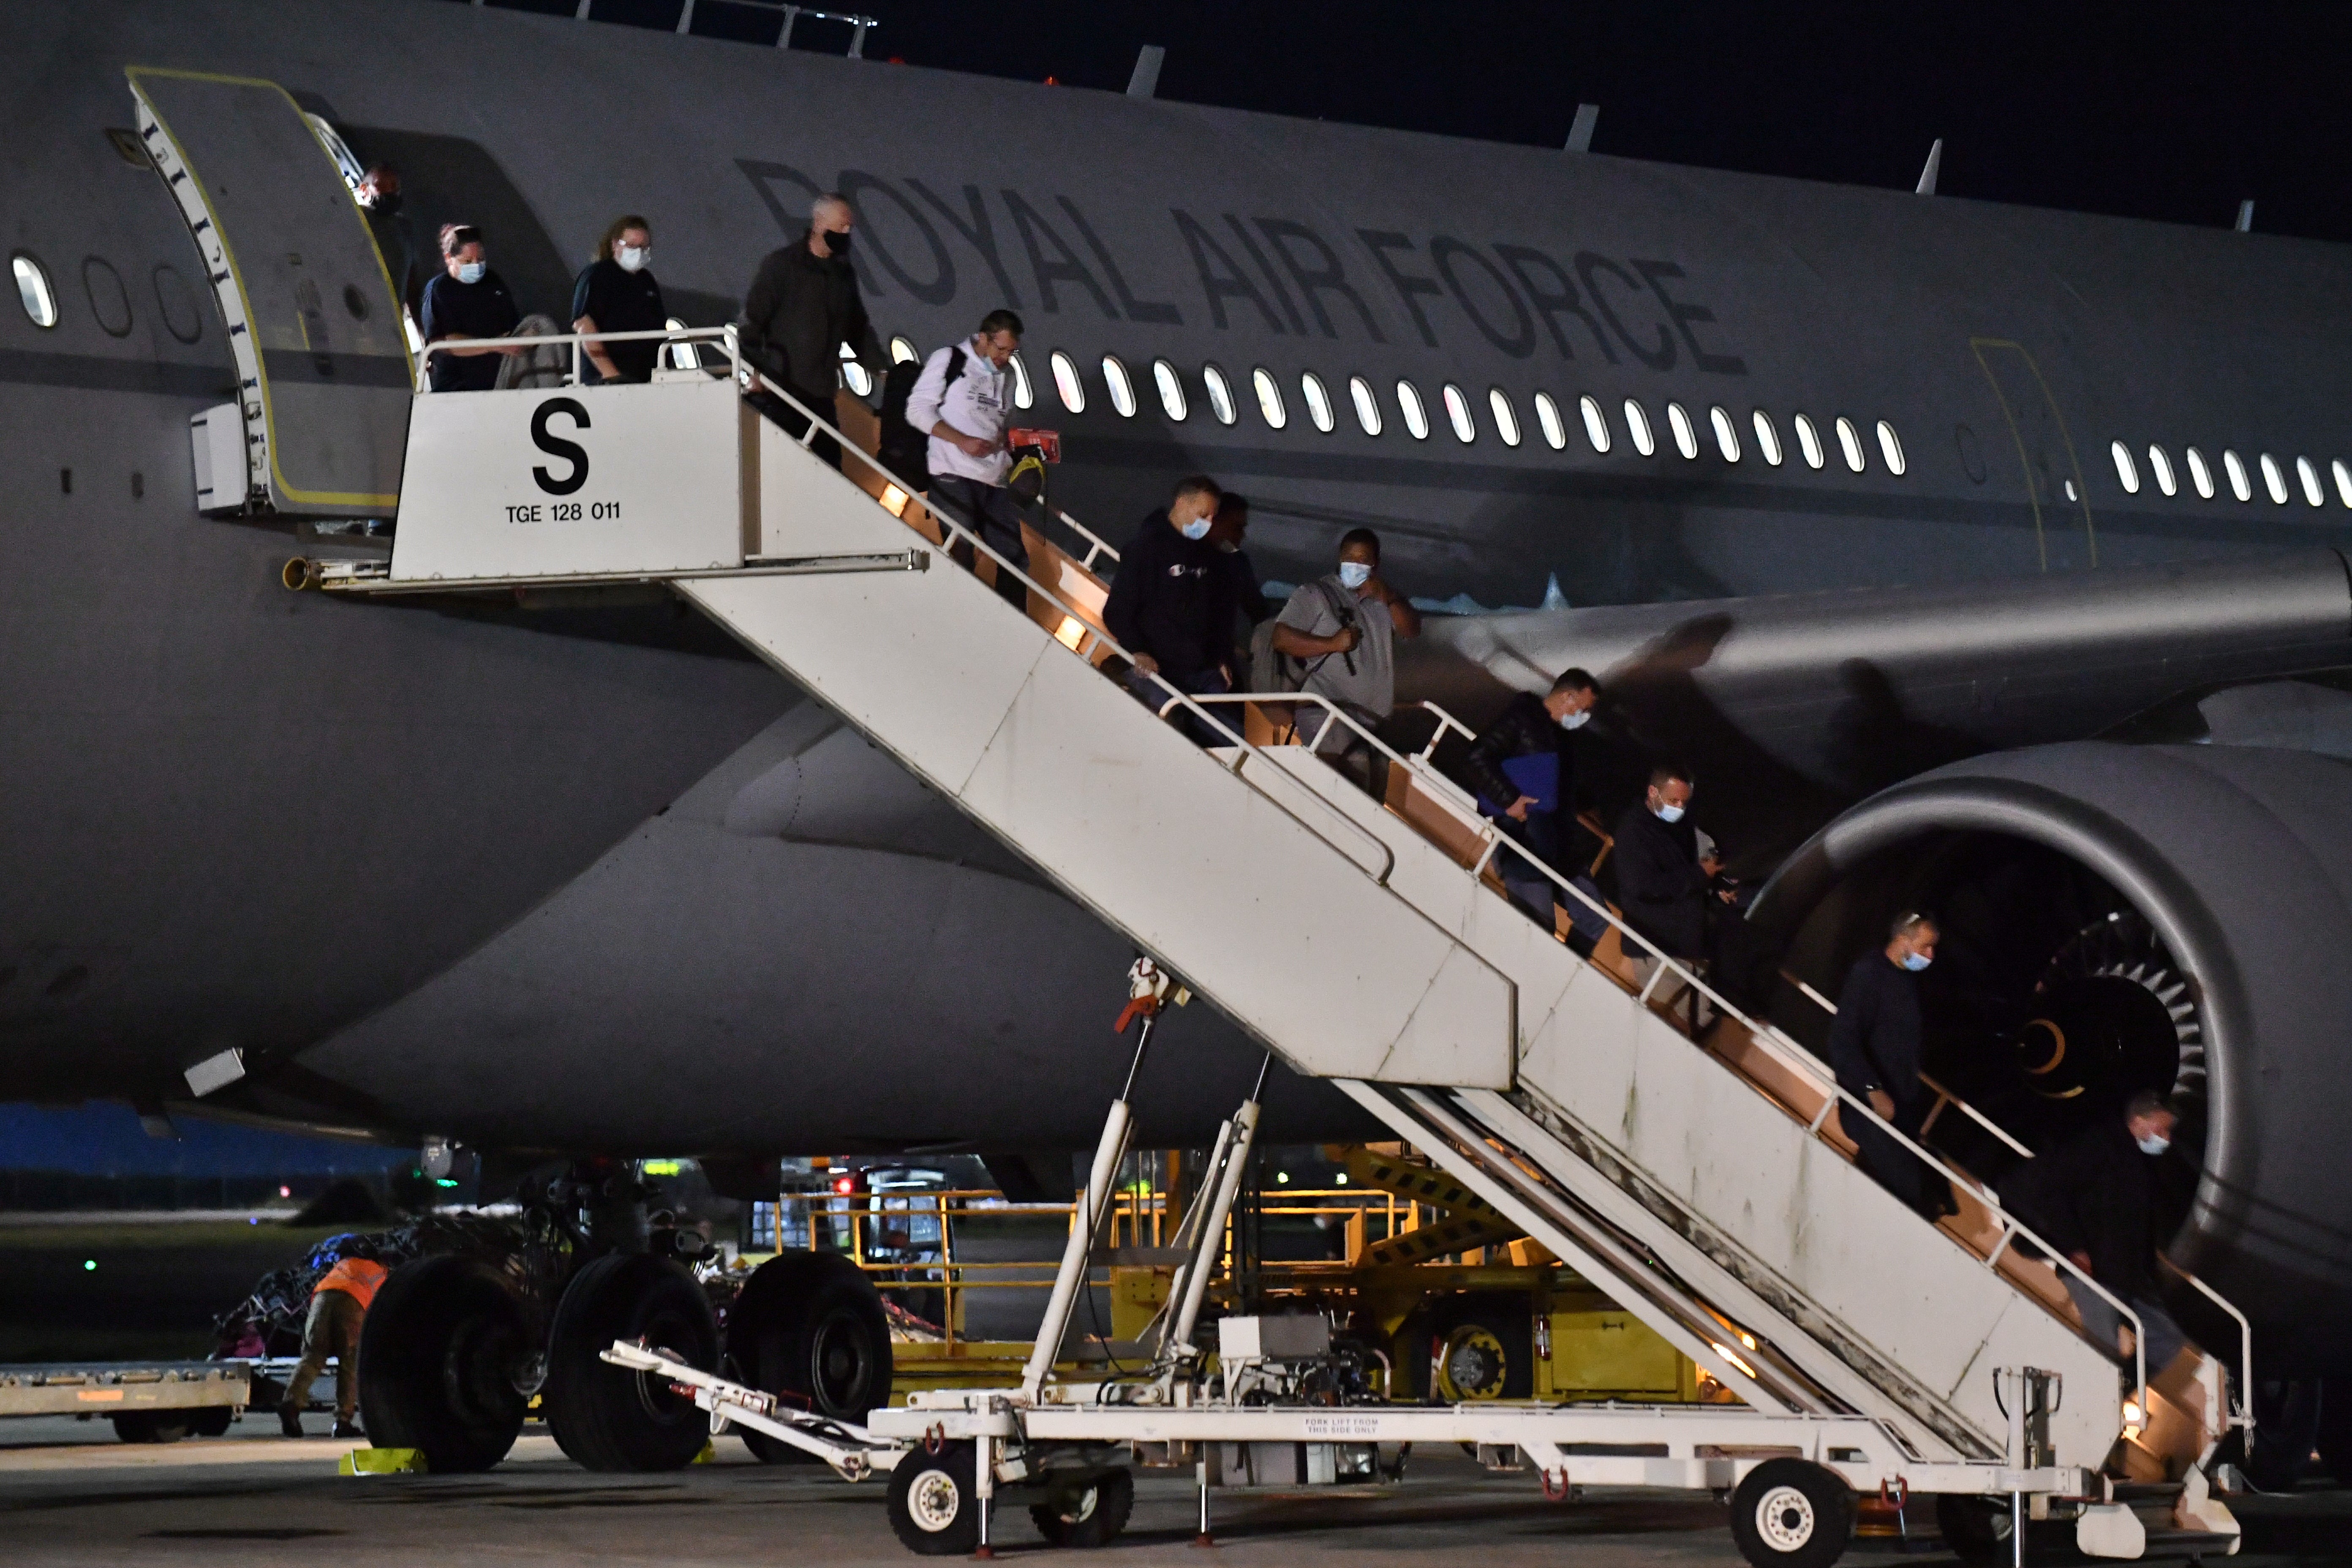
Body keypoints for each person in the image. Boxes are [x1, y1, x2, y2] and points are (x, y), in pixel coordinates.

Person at [2001, 1089, 2191, 1375]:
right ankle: (2103, 1391)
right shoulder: (2098, 1146)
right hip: (2093, 1271)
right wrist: (2075, 1247)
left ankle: (2122, 1386)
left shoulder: (2140, 1164)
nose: (2165, 1138)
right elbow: (2051, 1190)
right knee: (2102, 1347)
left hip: (2128, 1275)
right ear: (2139, 1121)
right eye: (2160, 1128)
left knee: (2168, 1335)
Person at [1456, 669, 1604, 946]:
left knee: (1594, 917)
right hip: (1524, 840)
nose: (1585, 717)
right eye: (1584, 710)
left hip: (1559, 841)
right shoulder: (1523, 718)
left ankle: (1562, 972)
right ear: (1568, 697)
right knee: (1537, 931)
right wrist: (1509, 800)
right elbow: (1476, 758)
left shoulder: (1564, 739)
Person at [736, 192, 883, 469]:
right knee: (784, 471)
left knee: (829, 470)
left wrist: (883, 368)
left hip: (821, 395)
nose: (846, 233)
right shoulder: (782, 266)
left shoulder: (842, 274)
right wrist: (757, 373)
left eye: (849, 228)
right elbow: (751, 324)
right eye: (840, 227)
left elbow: (857, 327)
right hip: (780, 392)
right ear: (818, 223)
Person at [1271, 528, 1422, 790]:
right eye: (1349, 559)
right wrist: (1331, 644)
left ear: (1376, 563)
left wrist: (1388, 598)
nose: (1355, 565)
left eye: (1363, 559)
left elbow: (1412, 630)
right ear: (1340, 559)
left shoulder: (1383, 600)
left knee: (1375, 791)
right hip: (1327, 711)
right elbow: (1281, 638)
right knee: (1352, 773)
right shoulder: (1316, 593)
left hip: (1371, 720)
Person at [1825, 911, 1951, 1217]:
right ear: (1902, 941)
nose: (1930, 956)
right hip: (1873, 1108)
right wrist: (1873, 1089)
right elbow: (1843, 1040)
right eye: (1925, 947)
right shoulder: (1869, 974)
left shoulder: (1907, 981)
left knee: (1917, 1191)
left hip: (1900, 1110)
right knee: (1911, 1194)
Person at [907, 309, 1027, 610]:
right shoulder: (950, 360)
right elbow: (917, 409)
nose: (1005, 358)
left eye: (1012, 352)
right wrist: (961, 441)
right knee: (961, 551)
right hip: (953, 472)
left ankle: (1011, 625)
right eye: (1001, 349)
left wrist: (1008, 443)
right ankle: (962, 618)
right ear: (984, 338)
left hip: (993, 478)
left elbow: (1001, 422)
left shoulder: (1008, 376)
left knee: (1014, 558)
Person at [1102, 476, 1236, 745]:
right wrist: (1137, 650)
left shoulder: (1206, 555)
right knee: (1171, 735)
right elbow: (1117, 610)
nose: (1208, 522)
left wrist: (1221, 657)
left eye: (1213, 516)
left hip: (1202, 670)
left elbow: (1216, 613)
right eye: (1203, 514)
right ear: (1181, 504)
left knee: (1230, 740)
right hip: (1159, 668)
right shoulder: (1146, 547)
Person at [1612, 763, 1755, 1011]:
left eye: (1684, 802)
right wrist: (1700, 875)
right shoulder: (1633, 833)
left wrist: (1716, 888)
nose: (1679, 808)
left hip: (1683, 942)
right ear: (1653, 792)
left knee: (1709, 1013)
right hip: (1656, 948)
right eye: (1673, 800)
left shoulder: (1679, 826)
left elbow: (1687, 869)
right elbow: (1645, 887)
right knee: (1700, 1016)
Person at [278, 1245, 389, 1438]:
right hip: (352, 1303)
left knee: (313, 1356)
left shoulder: (344, 1264)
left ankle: (291, 1404)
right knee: (350, 1363)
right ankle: (343, 1421)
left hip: (322, 1298)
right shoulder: (382, 1273)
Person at [418, 224, 521, 392]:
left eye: (480, 260)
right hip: (455, 391)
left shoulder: (493, 281)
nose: (476, 265)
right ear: (448, 258)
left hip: (499, 386)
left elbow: (512, 327)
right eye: (467, 261)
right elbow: (442, 343)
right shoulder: (439, 290)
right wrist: (494, 345)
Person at [570, 214, 667, 384]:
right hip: (608, 382)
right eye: (632, 246)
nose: (639, 252)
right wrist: (613, 377)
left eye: (644, 247)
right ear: (615, 245)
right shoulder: (598, 276)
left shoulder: (647, 281)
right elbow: (584, 326)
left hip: (647, 379)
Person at [353, 163, 422, 326]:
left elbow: (411, 282)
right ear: (364, 189)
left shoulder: (405, 227)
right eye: (380, 186)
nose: (390, 192)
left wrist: (423, 333)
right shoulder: (355, 219)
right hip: (358, 318)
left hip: (391, 323)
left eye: (394, 187)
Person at [1209, 492, 1271, 635]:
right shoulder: (1185, 559)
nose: (1242, 535)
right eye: (1237, 528)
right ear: (1215, 522)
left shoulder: (1237, 563)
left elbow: (1258, 609)